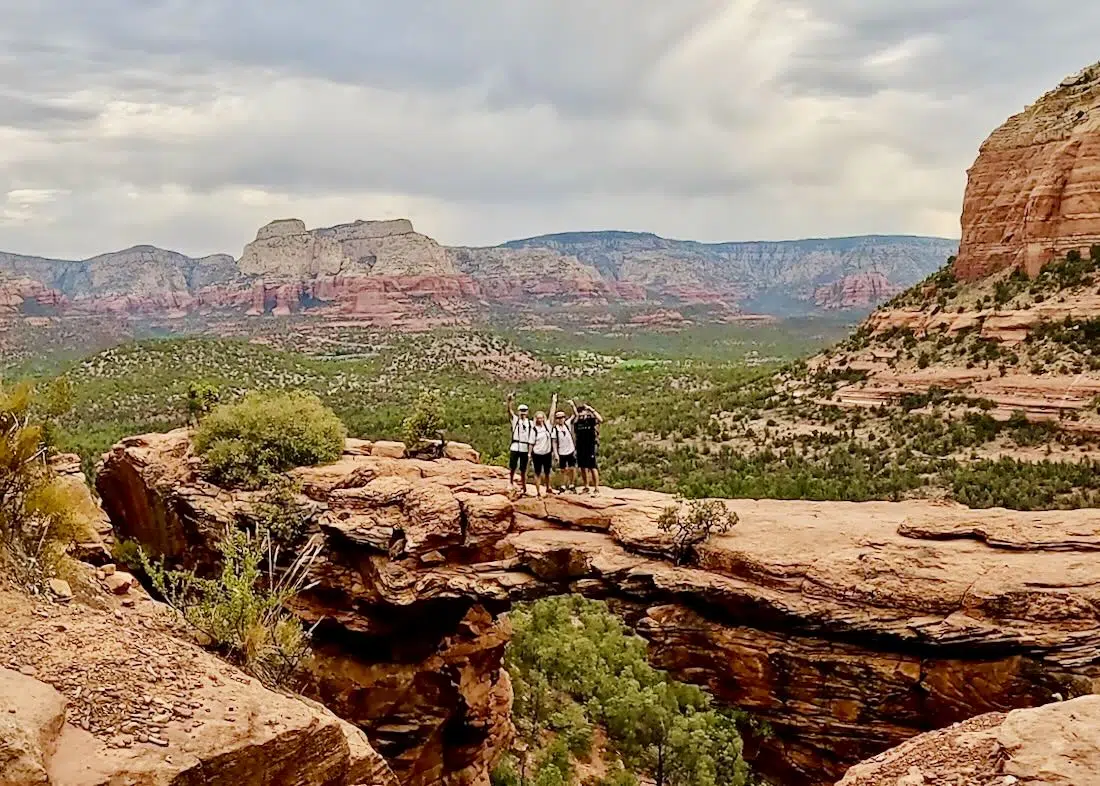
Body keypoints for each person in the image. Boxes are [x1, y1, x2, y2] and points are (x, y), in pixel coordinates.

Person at [570, 399, 603, 494]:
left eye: (584, 413)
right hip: (580, 446)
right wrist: (574, 409)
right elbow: (574, 418)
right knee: (583, 467)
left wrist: (590, 409)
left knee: (592, 467)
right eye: (581, 413)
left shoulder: (591, 420)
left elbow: (601, 420)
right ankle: (586, 486)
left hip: (590, 446)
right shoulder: (577, 422)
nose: (582, 415)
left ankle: (596, 488)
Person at [507, 393, 536, 495]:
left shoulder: (530, 423)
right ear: (518, 412)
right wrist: (509, 402)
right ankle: (510, 482)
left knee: (523, 469)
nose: (522, 413)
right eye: (521, 411)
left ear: (527, 412)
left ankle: (524, 487)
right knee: (513, 466)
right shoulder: (515, 420)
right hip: (515, 446)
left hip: (525, 447)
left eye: (524, 411)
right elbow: (509, 412)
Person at [549, 392, 577, 492]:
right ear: (556, 419)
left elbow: (575, 415)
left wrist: (573, 405)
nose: (561, 419)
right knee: (563, 470)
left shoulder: (568, 424)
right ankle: (563, 485)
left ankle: (572, 484)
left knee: (572, 468)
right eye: (558, 417)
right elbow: (554, 443)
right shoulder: (555, 429)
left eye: (562, 417)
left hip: (570, 450)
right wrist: (556, 454)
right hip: (562, 452)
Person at [530, 408, 554, 497]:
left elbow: (551, 414)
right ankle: (538, 492)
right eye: (538, 418)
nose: (540, 419)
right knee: (537, 473)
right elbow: (531, 443)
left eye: (541, 418)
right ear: (535, 419)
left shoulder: (547, 426)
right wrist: (529, 454)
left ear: (544, 418)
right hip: (537, 454)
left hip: (547, 453)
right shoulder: (534, 430)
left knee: (548, 472)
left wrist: (554, 402)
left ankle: (548, 487)